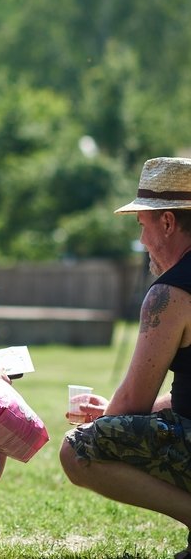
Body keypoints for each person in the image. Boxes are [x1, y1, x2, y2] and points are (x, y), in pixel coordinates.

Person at [60, 156, 191, 558]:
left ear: (167, 222)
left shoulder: (170, 294)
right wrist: (124, 413)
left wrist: (113, 415)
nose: (142, 240)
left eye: (143, 225)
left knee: (77, 449)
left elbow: (131, 403)